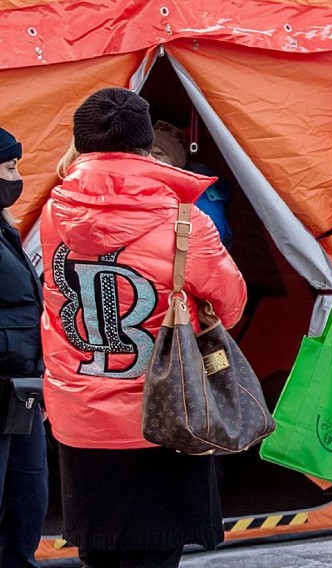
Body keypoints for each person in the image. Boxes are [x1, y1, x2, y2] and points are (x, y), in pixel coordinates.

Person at [40, 88, 247, 567]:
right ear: (146, 139)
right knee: (157, 552)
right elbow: (230, 304)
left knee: (99, 552)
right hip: (165, 411)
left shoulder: (54, 212)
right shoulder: (183, 219)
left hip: (80, 413)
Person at [0, 127, 48, 567]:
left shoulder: (4, 229)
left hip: (20, 395)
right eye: (10, 167)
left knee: (26, 508)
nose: (18, 178)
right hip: (7, 382)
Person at [151, 120, 233, 248]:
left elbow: (213, 247)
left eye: (158, 153)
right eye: (146, 152)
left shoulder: (202, 204)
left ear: (176, 162)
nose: (150, 159)